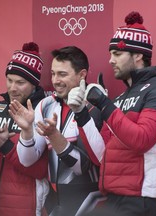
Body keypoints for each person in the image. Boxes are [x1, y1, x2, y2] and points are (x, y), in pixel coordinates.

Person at [67, 11, 156, 216]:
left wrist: (104, 103)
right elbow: (101, 155)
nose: (111, 60)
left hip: (144, 199)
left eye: (117, 54)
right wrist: (81, 114)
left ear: (138, 55)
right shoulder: (121, 98)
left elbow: (142, 139)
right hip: (114, 197)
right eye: (110, 53)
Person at [9, 46, 104, 216]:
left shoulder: (95, 106)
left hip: (88, 200)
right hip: (55, 201)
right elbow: (27, 160)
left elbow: (83, 167)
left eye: (62, 74)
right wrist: (26, 132)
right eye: (53, 74)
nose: (55, 80)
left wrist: (54, 136)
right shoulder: (46, 105)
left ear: (82, 75)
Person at [0, 42, 49, 216]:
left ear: (34, 84)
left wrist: (4, 145)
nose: (12, 88)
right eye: (9, 80)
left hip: (24, 207)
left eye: (20, 82)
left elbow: (41, 170)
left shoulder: (44, 111)